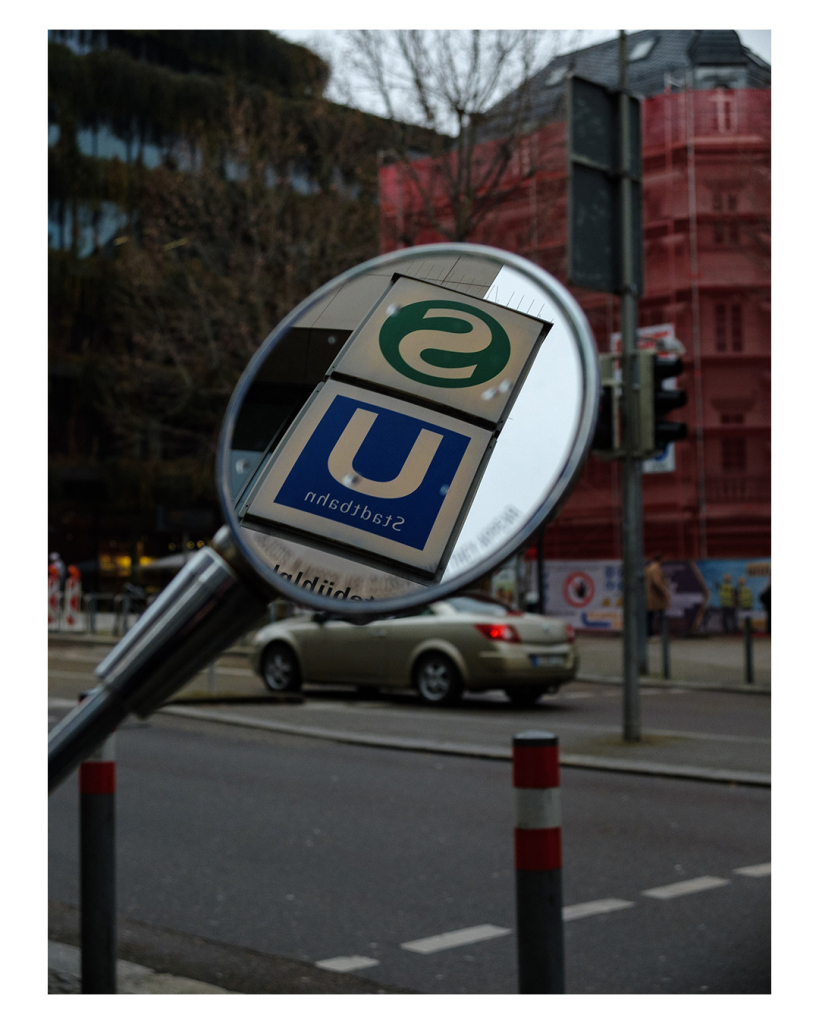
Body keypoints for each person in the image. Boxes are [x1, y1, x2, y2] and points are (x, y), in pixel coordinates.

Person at [645, 554, 670, 637]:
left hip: (652, 596)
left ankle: (650, 633)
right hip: (656, 596)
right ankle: (655, 633)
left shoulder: (650, 567)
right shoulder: (655, 568)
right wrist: (664, 591)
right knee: (657, 615)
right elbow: (657, 582)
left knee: (650, 615)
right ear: (661, 559)